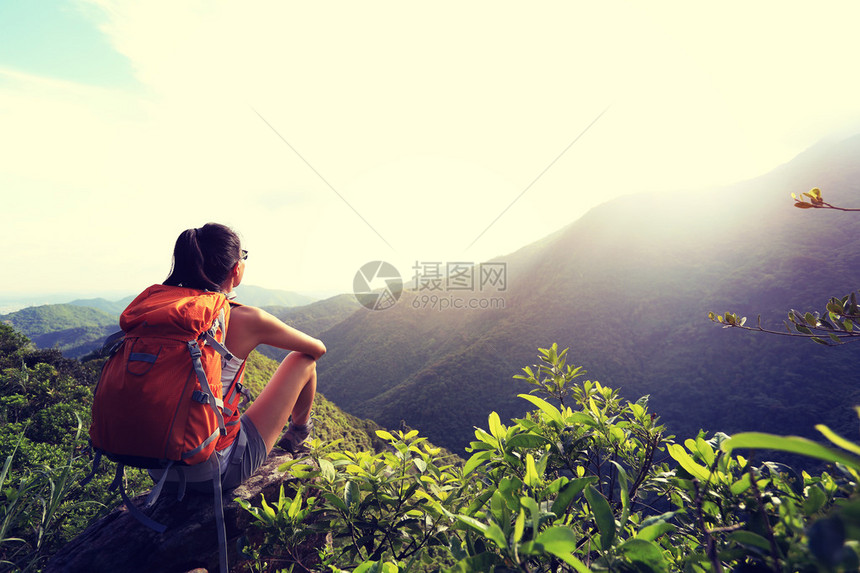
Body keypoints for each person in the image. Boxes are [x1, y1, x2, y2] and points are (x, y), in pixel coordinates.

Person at [154, 222, 326, 490]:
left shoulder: (161, 310)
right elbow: (317, 348)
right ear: (236, 268)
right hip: (214, 471)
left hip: (157, 466)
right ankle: (299, 436)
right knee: (302, 361)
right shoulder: (244, 317)